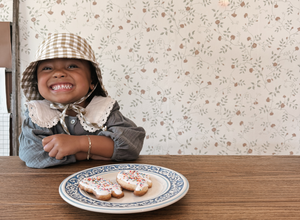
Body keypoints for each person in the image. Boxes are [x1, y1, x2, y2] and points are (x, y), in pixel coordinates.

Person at [19, 33, 145, 168]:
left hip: (103, 181)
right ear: (36, 82)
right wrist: (85, 154)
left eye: (72, 66)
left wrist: (79, 143)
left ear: (92, 80)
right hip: (51, 185)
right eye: (47, 68)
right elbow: (32, 154)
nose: (59, 73)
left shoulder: (103, 109)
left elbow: (131, 144)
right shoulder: (38, 114)